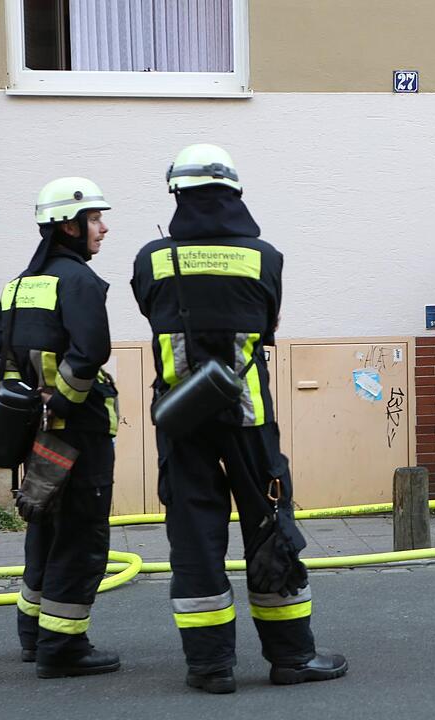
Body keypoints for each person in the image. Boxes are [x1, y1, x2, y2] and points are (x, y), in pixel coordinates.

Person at [131, 143, 346, 694]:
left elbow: (149, 313)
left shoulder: (151, 258)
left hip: (180, 421)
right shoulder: (264, 256)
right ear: (235, 194)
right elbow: (268, 323)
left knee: (195, 537)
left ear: (177, 194)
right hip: (249, 421)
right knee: (269, 527)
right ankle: (292, 658)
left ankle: (209, 667)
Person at [0, 177, 120, 678]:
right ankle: (63, 649)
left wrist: (24, 403)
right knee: (81, 536)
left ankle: (33, 635)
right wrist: (60, 402)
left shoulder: (18, 285)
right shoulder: (80, 282)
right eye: (95, 219)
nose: (103, 228)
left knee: (44, 527)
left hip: (37, 439)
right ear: (69, 224)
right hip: (78, 435)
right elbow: (90, 354)